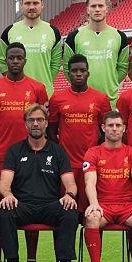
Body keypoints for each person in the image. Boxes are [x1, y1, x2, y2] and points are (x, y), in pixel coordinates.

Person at [0, 42, 50, 262]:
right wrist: (0, 142)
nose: (14, 61)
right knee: (2, 208)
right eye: (11, 57)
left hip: (33, 156)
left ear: (25, 60)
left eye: (19, 57)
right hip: (2, 156)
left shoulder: (37, 87)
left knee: (33, 204)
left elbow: (42, 122)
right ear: (5, 60)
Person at [0, 103, 79, 262]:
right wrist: (8, 195)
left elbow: (70, 182)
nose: (35, 124)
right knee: (4, 210)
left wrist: (69, 194)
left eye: (39, 120)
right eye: (31, 120)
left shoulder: (57, 151)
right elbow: (4, 183)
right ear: (25, 124)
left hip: (49, 205)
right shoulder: (14, 151)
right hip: (23, 205)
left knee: (70, 211)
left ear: (46, 123)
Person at [82, 111, 132, 262]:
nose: (114, 129)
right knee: (91, 218)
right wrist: (94, 204)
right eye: (110, 125)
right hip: (104, 206)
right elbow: (90, 181)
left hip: (126, 207)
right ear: (103, 128)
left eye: (118, 125)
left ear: (124, 128)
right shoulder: (93, 152)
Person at [48, 53, 109, 210]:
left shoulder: (101, 99)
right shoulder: (57, 99)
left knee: (93, 212)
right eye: (75, 71)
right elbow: (52, 130)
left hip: (92, 166)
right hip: (67, 166)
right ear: (68, 74)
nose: (79, 74)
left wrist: (95, 151)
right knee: (65, 211)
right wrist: (61, 152)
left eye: (82, 70)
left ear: (88, 72)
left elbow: (106, 131)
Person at [63, 0, 131, 106]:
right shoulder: (74, 37)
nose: (97, 9)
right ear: (87, 9)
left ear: (107, 8)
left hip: (110, 101)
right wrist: (80, 86)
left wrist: (111, 83)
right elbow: (66, 69)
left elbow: (123, 68)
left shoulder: (119, 36)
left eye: (100, 6)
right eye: (93, 6)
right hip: (82, 101)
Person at [0, 0, 63, 97]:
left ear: (42, 4)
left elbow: (56, 64)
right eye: (27, 3)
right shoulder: (9, 31)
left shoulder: (53, 31)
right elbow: (1, 61)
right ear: (21, 5)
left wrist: (43, 83)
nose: (31, 7)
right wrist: (13, 80)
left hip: (44, 95)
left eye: (35, 3)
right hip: (16, 94)